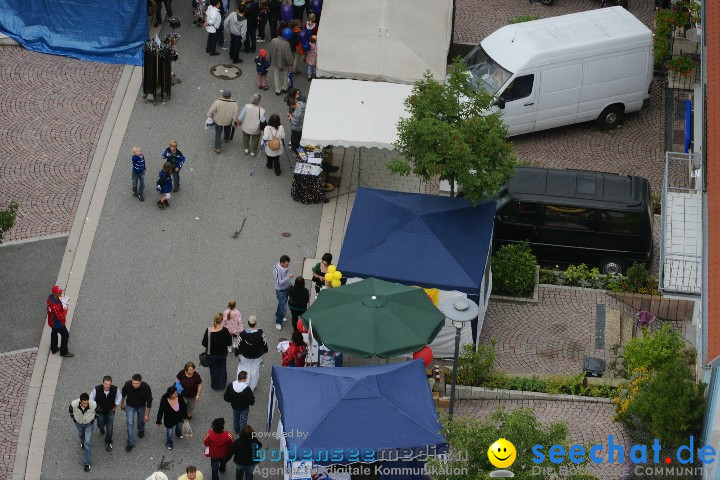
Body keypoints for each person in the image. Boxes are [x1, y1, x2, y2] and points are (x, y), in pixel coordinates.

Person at [120, 373, 153, 452]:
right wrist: (122, 404)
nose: (134, 385)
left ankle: (141, 429)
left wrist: (147, 415)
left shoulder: (146, 387)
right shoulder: (128, 384)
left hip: (141, 406)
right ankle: (130, 443)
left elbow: (149, 402)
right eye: (133, 383)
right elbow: (123, 395)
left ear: (140, 382)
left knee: (141, 421)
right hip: (130, 406)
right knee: (130, 423)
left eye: (136, 383)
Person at [235, 315, 268, 391]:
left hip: (245, 355)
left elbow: (238, 344)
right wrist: (265, 350)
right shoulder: (260, 332)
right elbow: (264, 342)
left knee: (244, 370)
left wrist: (237, 353)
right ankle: (252, 387)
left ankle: (243, 387)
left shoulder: (243, 334)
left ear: (248, 323)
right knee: (255, 370)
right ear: (255, 323)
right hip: (257, 355)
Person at [90, 375, 122, 452]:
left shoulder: (115, 389)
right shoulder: (96, 389)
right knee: (100, 424)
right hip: (100, 411)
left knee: (110, 427)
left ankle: (108, 442)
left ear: (111, 384)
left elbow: (119, 397)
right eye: (106, 383)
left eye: (109, 384)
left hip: (110, 411)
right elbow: (91, 398)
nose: (107, 386)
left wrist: (115, 407)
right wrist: (95, 407)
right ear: (103, 383)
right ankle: (101, 428)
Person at [202, 313, 233, 390]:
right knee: (222, 368)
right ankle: (222, 384)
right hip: (222, 354)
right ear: (221, 321)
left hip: (212, 355)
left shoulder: (209, 330)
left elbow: (204, 343)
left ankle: (215, 385)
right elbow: (229, 343)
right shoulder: (225, 330)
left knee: (214, 369)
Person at [69, 392, 97, 472]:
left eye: (87, 403)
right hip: (79, 424)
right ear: (80, 401)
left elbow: (98, 411)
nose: (85, 404)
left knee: (88, 442)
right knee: (81, 435)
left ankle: (86, 463)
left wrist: (93, 420)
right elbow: (70, 411)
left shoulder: (93, 404)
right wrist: (75, 420)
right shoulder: (74, 404)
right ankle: (82, 442)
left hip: (89, 424)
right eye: (84, 403)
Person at [208, 89, 239, 155]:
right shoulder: (234, 104)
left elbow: (211, 111)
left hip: (218, 120)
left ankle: (218, 148)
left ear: (223, 95)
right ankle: (226, 138)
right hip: (228, 121)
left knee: (218, 134)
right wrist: (234, 121)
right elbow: (235, 115)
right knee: (227, 130)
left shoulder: (217, 102)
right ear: (230, 96)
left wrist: (209, 116)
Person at [156, 386, 188, 450]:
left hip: (179, 417)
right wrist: (158, 421)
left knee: (179, 427)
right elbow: (160, 411)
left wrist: (184, 416)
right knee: (169, 433)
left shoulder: (179, 397)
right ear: (170, 395)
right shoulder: (164, 400)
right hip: (169, 420)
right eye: (175, 394)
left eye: (176, 393)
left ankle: (178, 434)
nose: (177, 394)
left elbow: (184, 406)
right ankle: (169, 443)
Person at [46, 285, 73, 357]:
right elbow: (60, 317)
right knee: (65, 335)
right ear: (55, 294)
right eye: (59, 293)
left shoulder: (50, 298)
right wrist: (65, 309)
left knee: (54, 333)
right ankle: (64, 352)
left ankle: (54, 348)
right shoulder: (55, 307)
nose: (60, 294)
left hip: (52, 321)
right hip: (58, 323)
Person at [266, 28, 293, 95]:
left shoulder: (273, 40)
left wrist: (268, 60)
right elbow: (288, 57)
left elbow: (269, 51)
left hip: (275, 61)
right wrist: (290, 64)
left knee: (276, 74)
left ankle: (278, 90)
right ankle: (285, 88)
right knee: (285, 74)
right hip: (284, 63)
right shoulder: (286, 44)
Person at [272, 254, 294, 329]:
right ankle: (278, 322)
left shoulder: (285, 267)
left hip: (286, 288)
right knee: (283, 307)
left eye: (288, 264)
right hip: (281, 290)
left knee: (282, 304)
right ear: (282, 263)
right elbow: (279, 282)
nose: (288, 266)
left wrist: (290, 282)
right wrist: (288, 277)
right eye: (286, 264)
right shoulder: (277, 270)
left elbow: (287, 275)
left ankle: (278, 315)